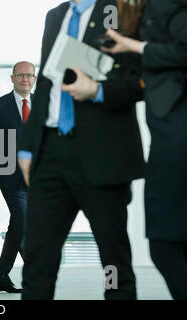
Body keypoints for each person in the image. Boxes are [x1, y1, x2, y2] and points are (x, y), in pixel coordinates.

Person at [17, 0, 145, 300]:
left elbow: (140, 80)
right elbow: (46, 85)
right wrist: (26, 147)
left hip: (102, 155)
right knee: (37, 258)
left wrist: (99, 90)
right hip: (49, 153)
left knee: (113, 264)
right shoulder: (56, 16)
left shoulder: (118, 10)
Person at [102, 0, 187, 300]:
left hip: (176, 137)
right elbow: (141, 79)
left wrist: (135, 46)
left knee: (164, 244)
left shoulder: (168, 6)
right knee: (169, 243)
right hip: (167, 134)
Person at [0, 61, 35, 294]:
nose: (25, 79)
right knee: (22, 219)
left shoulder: (43, 104)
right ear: (12, 78)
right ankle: (35, 270)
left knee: (18, 225)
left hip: (37, 176)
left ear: (34, 79)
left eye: (29, 75)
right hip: (9, 174)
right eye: (20, 75)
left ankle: (1, 277)